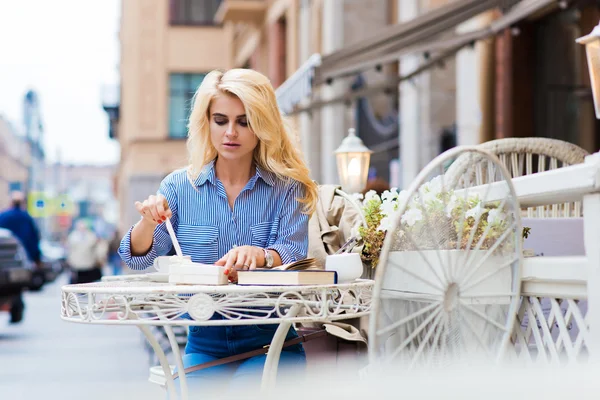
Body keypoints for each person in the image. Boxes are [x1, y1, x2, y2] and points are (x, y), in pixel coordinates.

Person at [118, 68, 318, 392]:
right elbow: (137, 259)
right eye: (220, 120)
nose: (231, 132)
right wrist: (147, 221)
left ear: (262, 125)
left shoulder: (286, 187)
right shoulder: (179, 186)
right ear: (207, 122)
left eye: (244, 121)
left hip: (271, 338)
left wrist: (262, 255)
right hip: (204, 340)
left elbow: (294, 253)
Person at [0, 191, 42, 323]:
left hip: (3, 262)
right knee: (16, 286)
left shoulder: (3, 216)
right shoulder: (27, 217)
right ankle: (16, 310)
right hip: (20, 260)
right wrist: (36, 258)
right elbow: (34, 239)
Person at [66, 220, 103, 284]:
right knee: (79, 285)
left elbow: (97, 250)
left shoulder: (91, 236)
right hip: (77, 266)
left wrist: (98, 259)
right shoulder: (73, 237)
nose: (82, 229)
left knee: (88, 284)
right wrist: (70, 261)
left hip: (89, 266)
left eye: (83, 228)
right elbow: (69, 251)